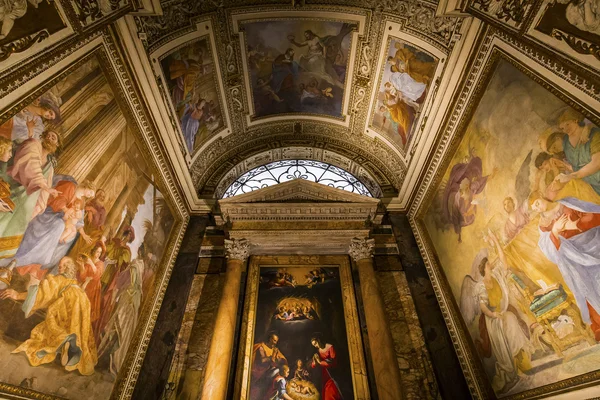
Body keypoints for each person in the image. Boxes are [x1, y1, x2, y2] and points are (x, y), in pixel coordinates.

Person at [0, 256, 97, 375]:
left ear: (67, 268)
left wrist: (18, 295)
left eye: (63, 265)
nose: (60, 266)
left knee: (50, 324)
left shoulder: (59, 279)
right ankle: (70, 350)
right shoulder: (71, 281)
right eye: (60, 264)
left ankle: (65, 340)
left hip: (70, 299)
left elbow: (42, 292)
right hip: (83, 300)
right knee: (76, 329)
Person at [529, 191, 600, 340]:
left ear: (542, 196)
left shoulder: (567, 203)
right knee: (586, 289)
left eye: (537, 203)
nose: (538, 208)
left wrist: (576, 225)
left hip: (594, 246)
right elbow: (548, 249)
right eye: (534, 209)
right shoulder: (543, 226)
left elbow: (593, 214)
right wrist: (554, 231)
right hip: (574, 260)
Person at [9, 178, 95, 279]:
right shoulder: (71, 186)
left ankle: (38, 265)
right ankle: (26, 260)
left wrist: (83, 234)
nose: (90, 195)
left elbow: (79, 221)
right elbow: (58, 199)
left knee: (69, 235)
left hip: (63, 219)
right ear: (87, 187)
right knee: (59, 226)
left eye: (91, 195)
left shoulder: (82, 201)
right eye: (90, 192)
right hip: (52, 213)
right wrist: (66, 210)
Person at [0, 130, 58, 260]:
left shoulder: (50, 167)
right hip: (10, 187)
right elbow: (31, 166)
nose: (50, 137)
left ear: (57, 145)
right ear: (43, 136)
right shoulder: (33, 144)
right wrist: (43, 185)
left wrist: (38, 208)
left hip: (25, 204)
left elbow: (44, 194)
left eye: (54, 137)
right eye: (48, 135)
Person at [98, 259, 143, 375]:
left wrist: (115, 297)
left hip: (127, 304)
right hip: (130, 303)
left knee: (119, 330)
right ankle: (111, 361)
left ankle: (113, 362)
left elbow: (119, 286)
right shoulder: (136, 274)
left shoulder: (132, 270)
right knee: (119, 331)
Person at [554, 109, 600, 196]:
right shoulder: (566, 144)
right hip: (593, 188)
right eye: (563, 128)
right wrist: (567, 167)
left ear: (575, 120)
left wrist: (571, 176)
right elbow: (578, 167)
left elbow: (597, 163)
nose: (566, 129)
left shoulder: (594, 133)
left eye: (567, 124)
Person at [77, 243, 105, 344]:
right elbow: (83, 276)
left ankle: (81, 334)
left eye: (100, 252)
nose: (98, 254)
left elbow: (97, 275)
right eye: (97, 251)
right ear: (93, 251)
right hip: (85, 285)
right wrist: (81, 266)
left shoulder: (100, 263)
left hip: (93, 289)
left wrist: (91, 263)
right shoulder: (87, 260)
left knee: (87, 310)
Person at [250, 333, 288, 399]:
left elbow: (282, 359)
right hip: (260, 371)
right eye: (274, 340)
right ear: (270, 339)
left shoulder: (275, 349)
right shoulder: (261, 347)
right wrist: (272, 356)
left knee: (278, 371)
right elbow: (262, 361)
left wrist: (278, 359)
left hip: (270, 370)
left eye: (276, 341)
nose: (275, 343)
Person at [310, 334, 343, 400]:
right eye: (314, 345)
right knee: (325, 391)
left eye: (315, 343)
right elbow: (313, 365)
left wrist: (320, 362)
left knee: (331, 391)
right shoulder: (318, 351)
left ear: (319, 340)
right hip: (324, 374)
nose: (316, 346)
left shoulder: (330, 347)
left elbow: (333, 361)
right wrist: (315, 362)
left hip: (332, 373)